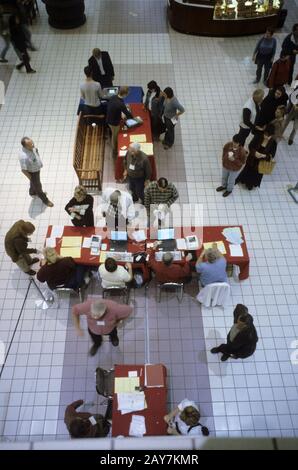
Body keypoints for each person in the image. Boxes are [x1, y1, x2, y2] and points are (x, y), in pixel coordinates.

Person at [235, 124, 277, 190]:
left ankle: (250, 184)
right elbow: (250, 146)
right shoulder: (258, 136)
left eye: (268, 136)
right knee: (247, 170)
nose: (266, 137)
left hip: (261, 162)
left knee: (256, 174)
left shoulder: (273, 143)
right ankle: (243, 180)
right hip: (252, 159)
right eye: (265, 134)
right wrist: (255, 153)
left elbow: (272, 155)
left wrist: (264, 156)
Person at [19, 136, 54, 207]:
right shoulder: (24, 157)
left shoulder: (32, 148)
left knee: (34, 184)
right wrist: (31, 178)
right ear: (25, 146)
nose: (33, 145)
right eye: (30, 145)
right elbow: (23, 170)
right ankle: (45, 200)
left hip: (36, 170)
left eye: (32, 143)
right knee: (38, 187)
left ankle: (32, 192)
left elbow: (35, 152)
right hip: (32, 173)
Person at [106, 86, 133, 159]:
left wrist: (121, 113)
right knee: (115, 137)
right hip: (114, 123)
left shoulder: (113, 97)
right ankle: (114, 151)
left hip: (109, 118)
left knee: (114, 134)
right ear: (125, 94)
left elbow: (113, 108)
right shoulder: (121, 104)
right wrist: (133, 118)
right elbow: (127, 113)